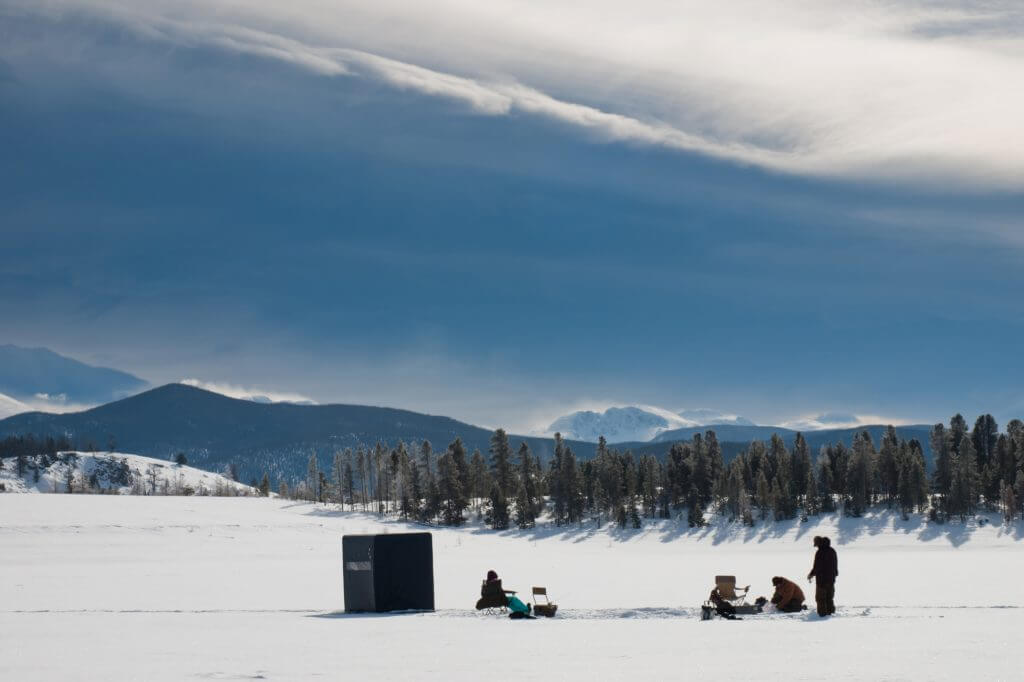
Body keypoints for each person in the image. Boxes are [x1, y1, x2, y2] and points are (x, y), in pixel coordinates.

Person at [808, 535, 839, 616]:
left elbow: (817, 566)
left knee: (820, 598)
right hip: (831, 579)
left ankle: (822, 615)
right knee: (829, 598)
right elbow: (835, 564)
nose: (816, 546)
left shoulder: (820, 552)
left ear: (819, 543)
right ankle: (831, 613)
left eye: (816, 545)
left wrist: (811, 574)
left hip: (822, 580)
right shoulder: (832, 550)